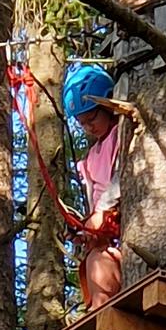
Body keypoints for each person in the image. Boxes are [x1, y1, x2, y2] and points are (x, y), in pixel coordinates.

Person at [61, 60, 123, 309]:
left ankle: (102, 307)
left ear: (108, 104)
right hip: (104, 229)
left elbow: (124, 175)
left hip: (117, 220)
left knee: (98, 261)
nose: (88, 127)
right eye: (81, 122)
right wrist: (85, 228)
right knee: (90, 262)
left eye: (91, 118)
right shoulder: (90, 158)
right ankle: (98, 308)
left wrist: (103, 212)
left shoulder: (122, 133)